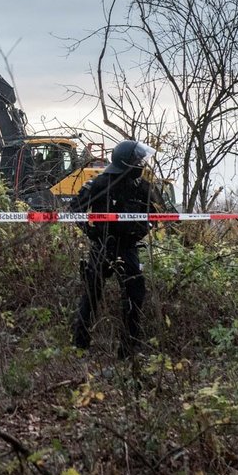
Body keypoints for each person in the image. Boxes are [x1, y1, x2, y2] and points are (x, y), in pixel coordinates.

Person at [70, 139, 165, 358]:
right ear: (127, 161)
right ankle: (80, 344)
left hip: (129, 248)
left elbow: (155, 214)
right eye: (138, 160)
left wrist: (143, 229)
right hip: (103, 245)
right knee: (91, 294)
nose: (142, 164)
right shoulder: (101, 183)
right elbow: (73, 209)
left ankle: (128, 349)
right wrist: (90, 231)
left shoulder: (141, 186)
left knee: (135, 293)